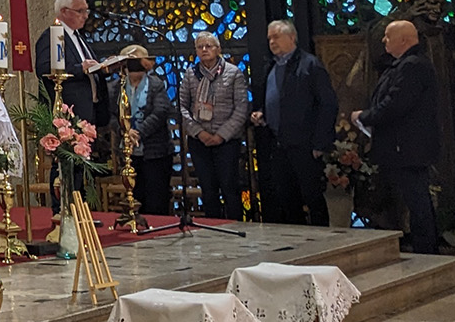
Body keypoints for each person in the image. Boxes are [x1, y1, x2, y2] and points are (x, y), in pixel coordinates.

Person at [354, 19, 440, 255]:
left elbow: (396, 104)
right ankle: (418, 246)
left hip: (409, 147)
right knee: (411, 199)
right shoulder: (401, 65)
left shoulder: (413, 66)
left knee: (417, 200)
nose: (384, 40)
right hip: (401, 146)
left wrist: (365, 116)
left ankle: (426, 251)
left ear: (403, 40)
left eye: (388, 36)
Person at [254, 19, 338, 225]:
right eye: (269, 38)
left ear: (292, 37)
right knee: (287, 198)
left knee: (312, 196)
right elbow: (273, 99)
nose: (272, 42)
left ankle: (323, 239)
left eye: (276, 37)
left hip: (305, 144)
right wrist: (261, 113)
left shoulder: (310, 65)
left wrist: (320, 143)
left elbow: (328, 104)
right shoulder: (271, 66)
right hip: (278, 143)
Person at [178, 32, 248, 219]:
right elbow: (182, 107)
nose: (204, 50)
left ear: (218, 49)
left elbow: (241, 108)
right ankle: (213, 228)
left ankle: (235, 226)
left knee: (229, 188)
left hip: (226, 141)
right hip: (199, 141)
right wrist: (199, 132)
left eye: (208, 46)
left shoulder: (233, 73)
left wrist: (221, 135)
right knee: (208, 190)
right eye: (200, 47)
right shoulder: (191, 74)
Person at [109, 44, 173, 216]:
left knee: (156, 197)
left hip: (154, 151)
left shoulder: (156, 84)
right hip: (128, 151)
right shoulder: (116, 87)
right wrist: (125, 131)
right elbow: (111, 115)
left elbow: (160, 112)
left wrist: (138, 132)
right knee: (135, 193)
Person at [35, 0, 110, 130]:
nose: (86, 16)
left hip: (91, 109)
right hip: (69, 111)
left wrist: (104, 67)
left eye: (86, 11)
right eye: (80, 11)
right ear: (64, 11)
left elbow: (88, 67)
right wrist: (79, 68)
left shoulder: (77, 36)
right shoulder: (51, 37)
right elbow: (43, 68)